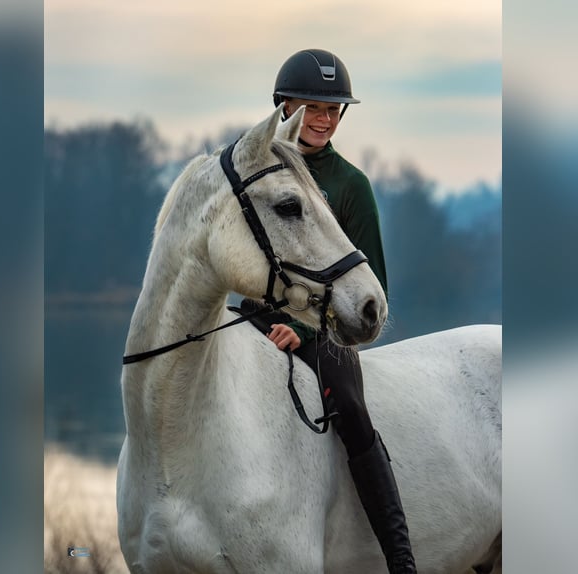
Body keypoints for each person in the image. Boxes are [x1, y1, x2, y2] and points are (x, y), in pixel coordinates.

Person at [243, 49, 417, 574]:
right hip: (255, 317)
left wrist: (299, 328)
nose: (322, 120)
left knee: (352, 408)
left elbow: (373, 290)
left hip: (323, 334)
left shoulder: (351, 187)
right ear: (284, 107)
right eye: (311, 107)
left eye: (333, 109)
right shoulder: (258, 174)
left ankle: (400, 556)